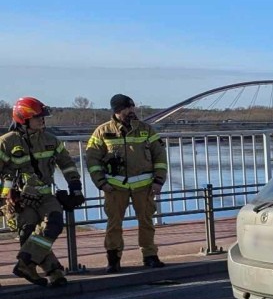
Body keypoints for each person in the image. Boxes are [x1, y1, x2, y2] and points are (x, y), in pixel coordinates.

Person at [0, 97, 84, 287]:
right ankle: (53, 271)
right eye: (38, 117)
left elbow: (67, 164)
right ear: (24, 119)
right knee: (29, 233)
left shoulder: (50, 140)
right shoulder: (6, 142)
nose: (42, 120)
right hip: (20, 199)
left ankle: (25, 263)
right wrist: (7, 195)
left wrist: (75, 187)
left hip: (45, 194)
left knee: (53, 225)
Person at [85, 94, 169, 272]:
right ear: (117, 110)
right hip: (114, 188)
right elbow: (92, 160)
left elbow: (160, 156)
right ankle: (113, 259)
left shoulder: (146, 130)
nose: (131, 111)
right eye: (127, 108)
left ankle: (150, 256)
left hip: (144, 186)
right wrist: (101, 183)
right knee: (114, 224)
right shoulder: (102, 131)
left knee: (146, 222)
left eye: (132, 107)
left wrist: (159, 181)